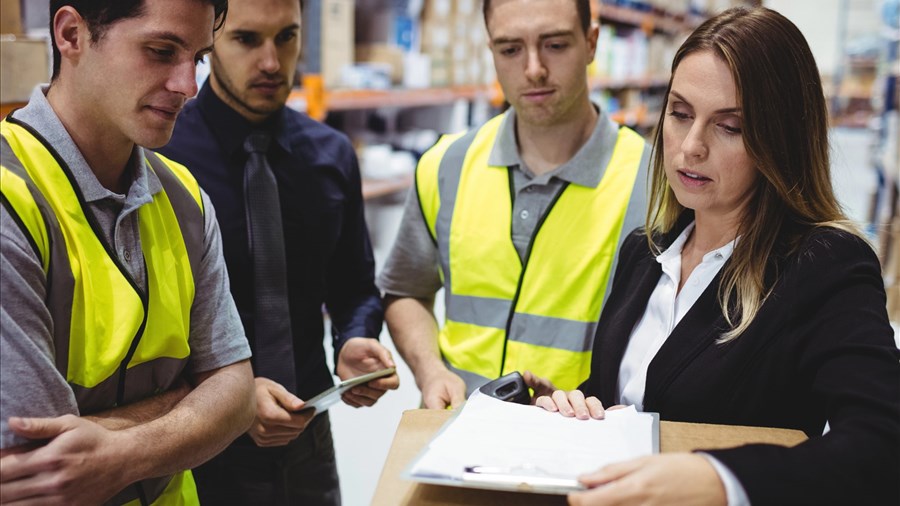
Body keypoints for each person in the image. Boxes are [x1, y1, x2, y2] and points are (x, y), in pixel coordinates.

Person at [534, 6, 900, 505]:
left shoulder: (825, 265)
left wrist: (721, 480)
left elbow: (883, 447)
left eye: (729, 127)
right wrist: (577, 408)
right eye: (680, 114)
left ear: (780, 140)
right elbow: (632, 393)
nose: (691, 146)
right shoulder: (645, 251)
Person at [0, 0, 258, 504]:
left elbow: (238, 394)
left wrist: (123, 452)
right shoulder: (11, 200)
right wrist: (192, 398)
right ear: (71, 35)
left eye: (198, 58)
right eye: (161, 51)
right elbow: (36, 464)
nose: (189, 85)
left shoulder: (184, 197)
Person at [158, 0, 399, 503]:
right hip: (199, 447)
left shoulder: (331, 155)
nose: (271, 62)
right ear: (210, 42)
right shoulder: (160, 160)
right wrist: (231, 400)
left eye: (286, 37)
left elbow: (354, 287)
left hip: (308, 436)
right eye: (247, 39)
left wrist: (354, 339)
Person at [378, 0, 651, 409]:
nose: (533, 69)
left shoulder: (652, 182)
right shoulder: (446, 165)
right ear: (491, 50)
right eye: (510, 49)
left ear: (591, 43)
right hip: (459, 428)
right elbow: (405, 290)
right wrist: (431, 371)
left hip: (582, 434)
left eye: (555, 45)